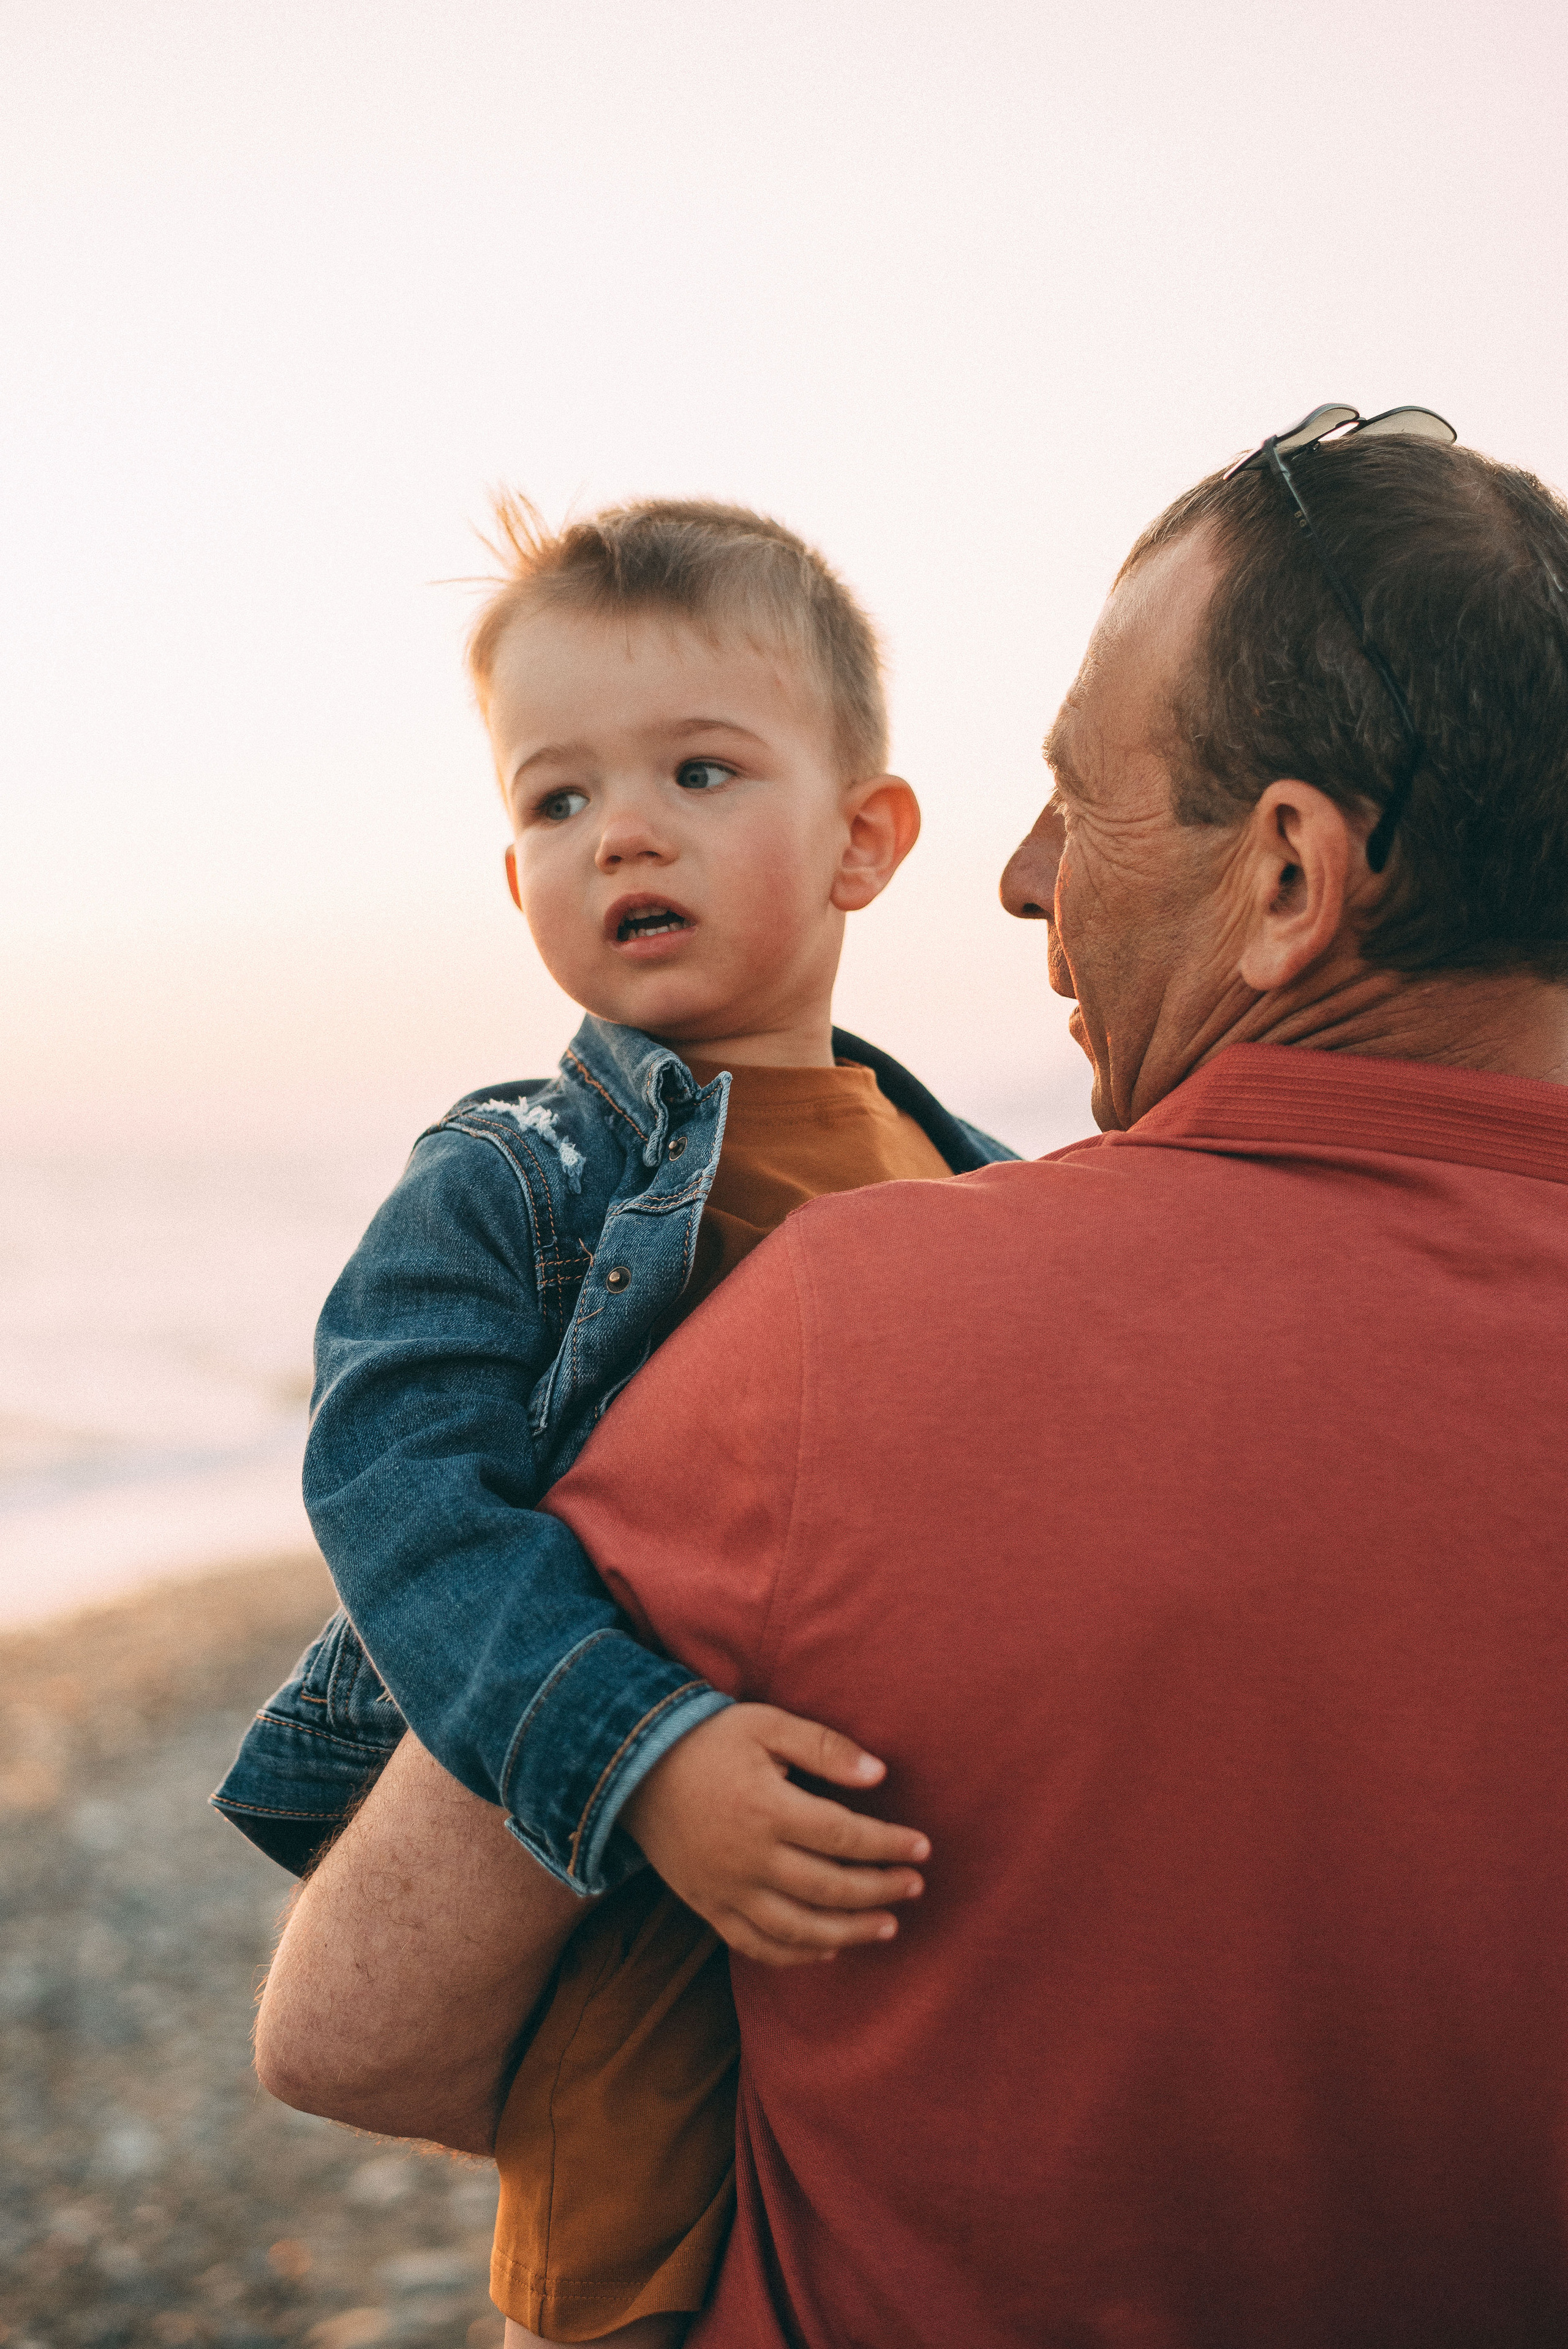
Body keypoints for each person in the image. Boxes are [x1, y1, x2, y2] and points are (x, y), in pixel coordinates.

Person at [258, 411, 1568, 2347]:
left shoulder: (869, 1307)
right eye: (559, 798)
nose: (1026, 881)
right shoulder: (565, 1177)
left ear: (1289, 873)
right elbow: (392, 1457)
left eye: (1083, 800)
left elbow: (355, 2030)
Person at [221, 495, 1012, 2344]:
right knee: (641, 2265)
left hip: (903, 1867)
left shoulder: (977, 1187)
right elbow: (401, 1491)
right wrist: (637, 1760)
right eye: (557, 799)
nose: (623, 833)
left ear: (865, 839)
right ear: (517, 884)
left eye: (700, 773)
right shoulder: (520, 1176)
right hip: (630, 1886)